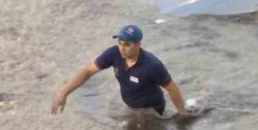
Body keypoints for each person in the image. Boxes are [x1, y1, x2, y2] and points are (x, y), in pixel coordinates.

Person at [50, 24, 189, 118]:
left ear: (138, 44)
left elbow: (172, 88)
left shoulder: (152, 65)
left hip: (152, 111)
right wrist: (64, 92)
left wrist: (182, 115)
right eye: (120, 43)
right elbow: (88, 71)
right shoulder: (113, 54)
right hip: (131, 107)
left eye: (127, 45)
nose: (122, 48)